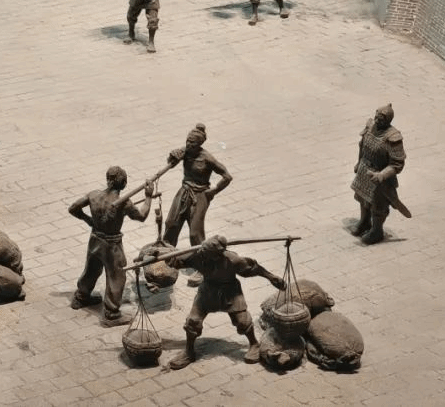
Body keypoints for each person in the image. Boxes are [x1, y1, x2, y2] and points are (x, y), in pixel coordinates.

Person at [161, 235, 285, 368]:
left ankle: (254, 344)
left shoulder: (233, 260)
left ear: (217, 255)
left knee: (243, 321)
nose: (202, 253)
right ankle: (189, 352)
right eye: (202, 250)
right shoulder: (198, 255)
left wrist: (272, 277)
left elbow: (254, 268)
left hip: (230, 292)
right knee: (193, 321)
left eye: (206, 252)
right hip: (207, 291)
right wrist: (167, 257)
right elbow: (178, 261)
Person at [68, 166, 154, 327]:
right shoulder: (124, 203)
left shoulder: (93, 195)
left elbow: (73, 208)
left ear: (108, 180)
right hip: (112, 244)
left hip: (95, 239)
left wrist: (88, 220)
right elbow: (142, 216)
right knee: (117, 276)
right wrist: (148, 197)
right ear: (124, 183)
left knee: (92, 269)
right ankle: (111, 313)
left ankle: (81, 296)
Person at [162, 124, 232, 285]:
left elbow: (227, 176)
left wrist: (213, 191)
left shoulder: (207, 158)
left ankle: (203, 266)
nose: (188, 144)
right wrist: (172, 156)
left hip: (200, 195)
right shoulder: (184, 152)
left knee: (195, 233)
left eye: (192, 143)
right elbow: (170, 163)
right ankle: (166, 257)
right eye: (187, 141)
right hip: (184, 191)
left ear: (199, 144)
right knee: (171, 223)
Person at [351, 103, 408, 245]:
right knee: (363, 198)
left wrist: (382, 175)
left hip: (381, 179)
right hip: (365, 171)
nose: (377, 121)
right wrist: (359, 162)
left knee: (378, 205)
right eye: (376, 117)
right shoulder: (370, 126)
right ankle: (365, 222)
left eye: (381, 120)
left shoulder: (393, 137)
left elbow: (397, 164)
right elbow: (362, 146)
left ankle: (377, 231)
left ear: (388, 121)